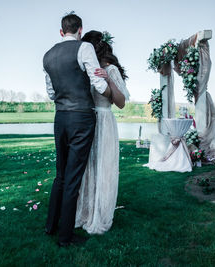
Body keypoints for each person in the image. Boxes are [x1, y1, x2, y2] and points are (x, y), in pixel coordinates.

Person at [43, 13, 121, 247]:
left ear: (60, 31)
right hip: (81, 118)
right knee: (73, 178)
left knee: (60, 175)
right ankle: (65, 237)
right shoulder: (84, 47)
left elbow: (51, 93)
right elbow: (97, 83)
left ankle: (51, 226)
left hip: (60, 118)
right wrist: (111, 95)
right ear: (80, 30)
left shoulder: (47, 55)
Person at [75, 30, 130, 234]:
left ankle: (101, 213)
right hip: (86, 121)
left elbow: (121, 102)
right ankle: (86, 212)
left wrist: (109, 79)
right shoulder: (87, 69)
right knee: (88, 168)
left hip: (105, 120)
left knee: (103, 167)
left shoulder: (110, 69)